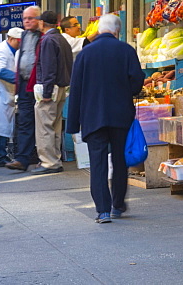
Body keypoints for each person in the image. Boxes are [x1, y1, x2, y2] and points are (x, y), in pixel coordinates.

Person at [66, 13, 144, 223]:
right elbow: (137, 82)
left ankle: (103, 210)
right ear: (117, 31)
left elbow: (76, 90)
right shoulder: (126, 50)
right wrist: (125, 92)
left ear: (99, 30)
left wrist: (73, 123)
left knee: (98, 162)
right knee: (120, 160)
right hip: (120, 115)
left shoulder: (85, 53)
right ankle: (118, 204)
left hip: (93, 116)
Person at [31, 10, 73, 174]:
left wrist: (46, 93)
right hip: (62, 88)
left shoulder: (48, 40)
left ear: (42, 23)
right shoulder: (62, 39)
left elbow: (48, 69)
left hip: (50, 88)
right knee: (55, 126)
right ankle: (55, 159)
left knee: (44, 127)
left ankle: (49, 162)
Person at [6, 6, 42, 171]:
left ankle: (44, 158)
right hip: (25, 85)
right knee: (25, 121)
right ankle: (22, 158)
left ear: (39, 19)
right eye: (25, 18)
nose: (27, 21)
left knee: (43, 124)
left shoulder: (43, 36)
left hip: (39, 85)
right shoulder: (25, 35)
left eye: (31, 18)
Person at [0, 28, 21, 167]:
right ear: (11, 39)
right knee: (0, 128)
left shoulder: (9, 50)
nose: (20, 44)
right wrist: (19, 79)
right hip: (1, 94)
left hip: (5, 94)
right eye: (18, 41)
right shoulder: (1, 51)